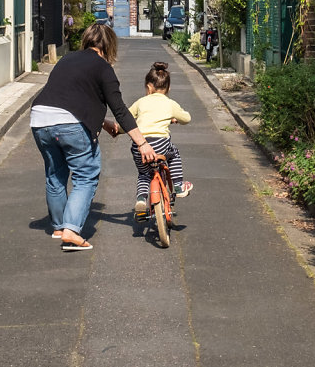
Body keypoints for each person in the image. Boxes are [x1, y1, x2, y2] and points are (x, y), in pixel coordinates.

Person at [30, 23, 158, 251]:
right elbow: (120, 109)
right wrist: (142, 143)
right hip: (70, 124)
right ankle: (71, 230)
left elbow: (71, 96)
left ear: (86, 41)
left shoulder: (66, 60)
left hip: (39, 119)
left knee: (55, 174)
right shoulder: (103, 68)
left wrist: (104, 123)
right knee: (86, 174)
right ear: (109, 46)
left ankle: (59, 227)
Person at [118, 61, 193, 220]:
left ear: (149, 87)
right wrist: (175, 118)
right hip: (161, 144)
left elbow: (126, 122)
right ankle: (178, 186)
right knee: (174, 153)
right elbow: (187, 118)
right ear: (168, 88)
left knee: (144, 174)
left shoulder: (141, 102)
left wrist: (118, 130)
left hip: (140, 145)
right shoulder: (169, 103)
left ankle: (140, 199)